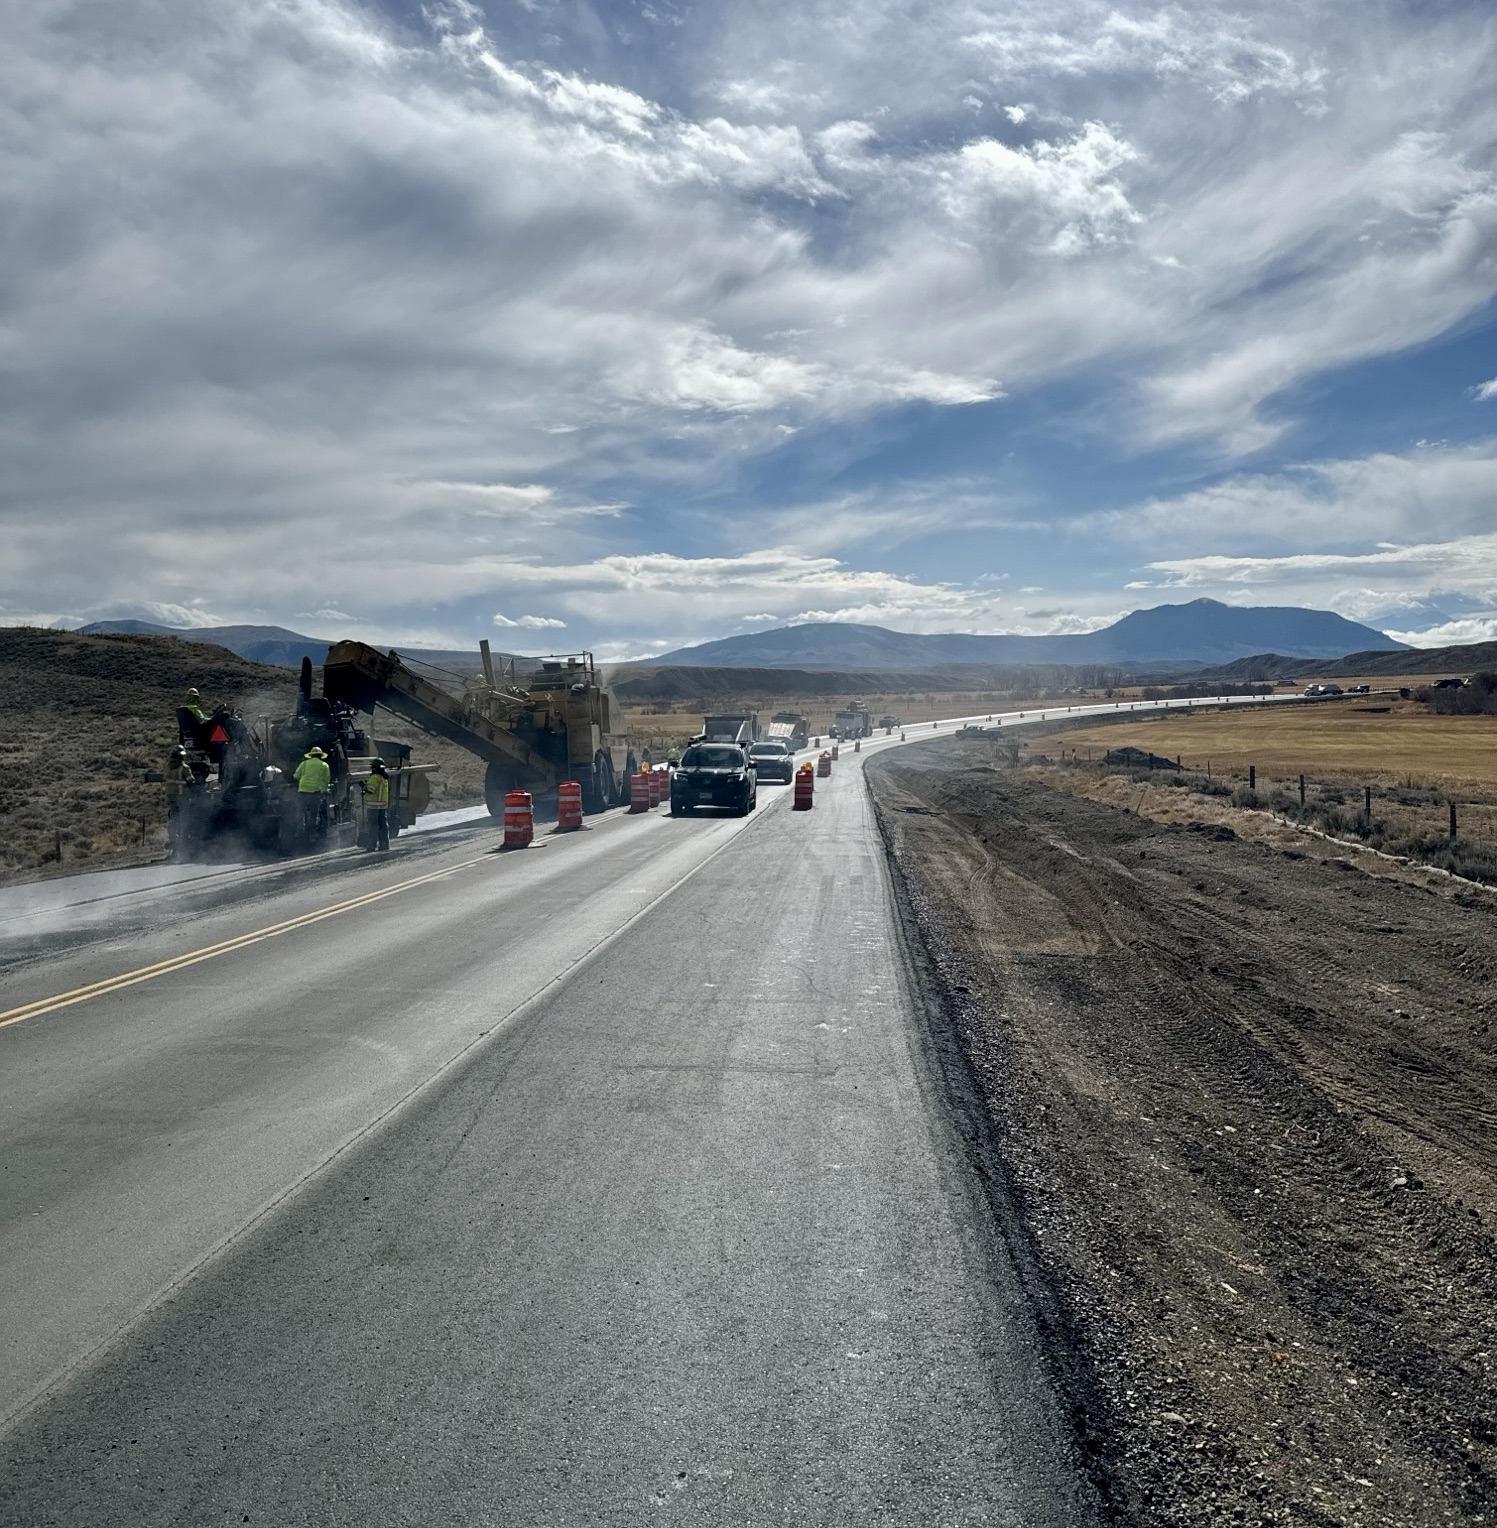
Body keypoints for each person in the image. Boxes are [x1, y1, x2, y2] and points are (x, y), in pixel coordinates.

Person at [164, 746, 196, 857]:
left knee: (174, 821)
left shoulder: (168, 767)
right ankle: (184, 848)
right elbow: (191, 781)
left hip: (171, 797)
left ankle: (174, 845)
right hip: (182, 797)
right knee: (184, 822)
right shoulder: (184, 768)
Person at [294, 745, 331, 840]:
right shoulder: (324, 765)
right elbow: (326, 779)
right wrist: (324, 789)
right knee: (314, 813)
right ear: (320, 755)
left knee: (300, 812)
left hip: (302, 790)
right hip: (315, 791)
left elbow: (296, 775)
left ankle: (299, 831)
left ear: (311, 755)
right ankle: (312, 834)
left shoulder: (304, 763)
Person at [362, 757, 391, 852]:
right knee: (383, 826)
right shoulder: (384, 777)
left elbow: (370, 790)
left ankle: (371, 846)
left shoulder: (374, 777)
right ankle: (384, 845)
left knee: (373, 827)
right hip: (382, 806)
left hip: (373, 807)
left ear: (374, 768)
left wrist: (363, 786)